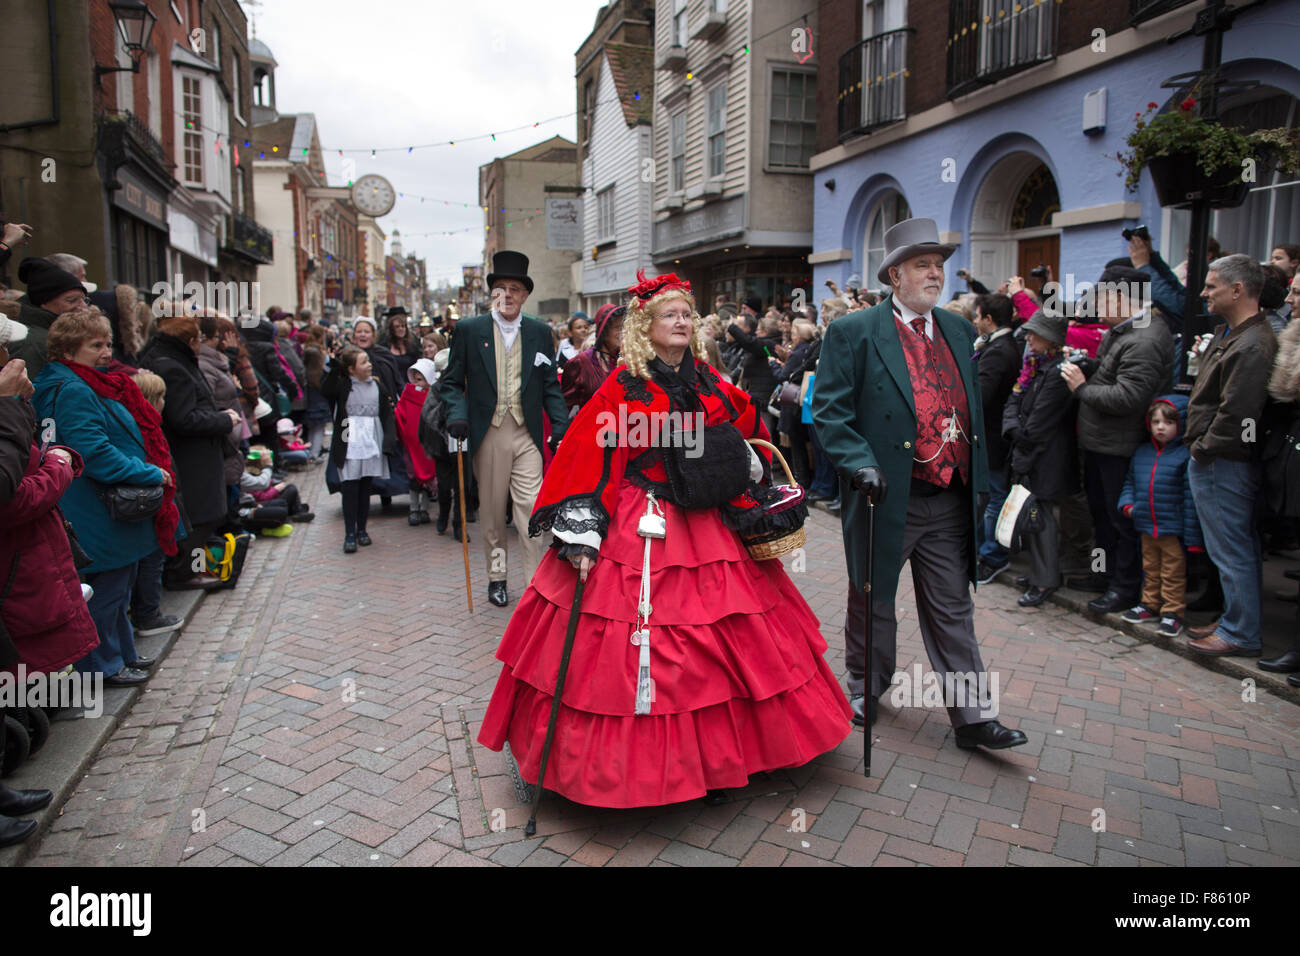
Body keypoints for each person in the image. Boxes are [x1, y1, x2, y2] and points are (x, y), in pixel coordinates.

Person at [477, 269, 851, 808]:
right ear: (644, 327)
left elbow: (745, 420)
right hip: (643, 518)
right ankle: (656, 770)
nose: (681, 321)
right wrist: (583, 533)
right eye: (670, 315)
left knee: (725, 634)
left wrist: (741, 444)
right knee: (650, 639)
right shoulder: (626, 383)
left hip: (707, 518)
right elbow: (590, 454)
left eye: (686, 315)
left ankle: (727, 758)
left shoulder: (704, 378)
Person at [812, 216, 1028, 751]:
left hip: (948, 497)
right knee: (872, 597)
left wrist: (981, 475)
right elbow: (830, 412)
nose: (935, 274)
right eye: (922, 265)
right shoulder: (853, 332)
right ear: (894, 275)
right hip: (885, 494)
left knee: (954, 606)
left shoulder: (957, 329)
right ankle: (866, 685)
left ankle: (973, 717)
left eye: (938, 265)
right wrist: (858, 463)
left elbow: (970, 406)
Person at [32, 308, 183, 684]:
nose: (105, 352)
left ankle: (121, 654)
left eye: (108, 343)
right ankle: (102, 666)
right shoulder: (74, 389)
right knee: (107, 590)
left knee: (114, 587)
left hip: (95, 504)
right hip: (97, 506)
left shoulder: (73, 382)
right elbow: (93, 453)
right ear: (69, 350)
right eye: (95, 345)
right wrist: (151, 472)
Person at [436, 250, 569, 607]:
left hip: (526, 433)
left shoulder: (541, 333)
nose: (507, 295)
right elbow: (450, 383)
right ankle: (497, 576)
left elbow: (549, 384)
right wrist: (457, 413)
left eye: (514, 289)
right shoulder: (468, 330)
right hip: (489, 433)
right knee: (493, 513)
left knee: (530, 507)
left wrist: (560, 422)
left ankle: (535, 584)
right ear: (491, 293)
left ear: (525, 295)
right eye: (500, 288)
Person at [1059, 264, 1175, 612]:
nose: (1096, 306)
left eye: (1102, 298)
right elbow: (1112, 377)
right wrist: (1090, 368)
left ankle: (1123, 588)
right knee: (1100, 516)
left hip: (1120, 446)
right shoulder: (1122, 331)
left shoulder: (1146, 338)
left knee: (1119, 519)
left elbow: (1128, 399)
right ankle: (1101, 573)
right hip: (1100, 442)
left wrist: (1081, 386)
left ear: (1123, 298)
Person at [1183, 255, 1277, 657]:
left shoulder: (1253, 343)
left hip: (1225, 461)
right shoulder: (1233, 334)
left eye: (1211, 285)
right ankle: (1235, 622)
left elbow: (1238, 413)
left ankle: (1241, 633)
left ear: (1237, 290)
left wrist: (1203, 449)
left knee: (1233, 547)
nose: (1204, 292)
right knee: (1230, 547)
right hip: (1217, 458)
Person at [136, 312, 239, 590]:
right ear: (190, 341)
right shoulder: (172, 367)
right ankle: (185, 573)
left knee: (199, 520)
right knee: (197, 521)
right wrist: (224, 420)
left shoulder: (174, 361)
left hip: (196, 457)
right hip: (192, 459)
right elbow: (183, 418)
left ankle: (192, 569)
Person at [1002, 310, 1078, 607]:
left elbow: (1037, 424)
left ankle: (1045, 580)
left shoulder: (1058, 373)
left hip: (1046, 456)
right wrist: (1012, 426)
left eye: (1034, 333)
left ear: (1050, 339)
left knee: (1042, 517)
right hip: (1029, 451)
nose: (1028, 338)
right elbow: (1013, 401)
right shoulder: (1034, 366)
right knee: (1033, 516)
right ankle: (1038, 573)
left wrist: (1016, 431)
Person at [1117, 395, 1201, 637]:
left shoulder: (1184, 456)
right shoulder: (1142, 453)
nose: (1161, 427)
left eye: (1168, 422)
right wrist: (1127, 505)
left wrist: (1192, 537)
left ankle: (1173, 612)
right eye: (1156, 422)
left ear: (1181, 424)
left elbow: (1189, 500)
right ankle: (1149, 603)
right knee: (1150, 567)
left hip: (1171, 529)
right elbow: (1130, 483)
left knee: (1172, 573)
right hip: (1145, 524)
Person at [323, 345, 395, 553]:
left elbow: (386, 413)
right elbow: (326, 390)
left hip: (371, 436)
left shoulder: (377, 386)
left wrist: (389, 440)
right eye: (364, 362)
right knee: (350, 486)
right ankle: (349, 533)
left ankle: (362, 530)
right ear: (351, 369)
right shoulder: (343, 385)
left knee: (365, 485)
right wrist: (336, 366)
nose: (369, 365)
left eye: (368, 361)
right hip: (349, 434)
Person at [972, 293, 1020, 583]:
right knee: (986, 495)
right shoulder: (994, 345)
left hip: (993, 435)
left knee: (993, 498)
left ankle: (993, 556)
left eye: (978, 316)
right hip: (988, 435)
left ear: (989, 320)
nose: (975, 322)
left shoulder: (1001, 350)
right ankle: (981, 549)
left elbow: (982, 394)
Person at [11, 257, 87, 379]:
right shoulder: (33, 344)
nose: (83, 307)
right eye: (72, 300)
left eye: (84, 300)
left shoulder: (57, 334)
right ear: (44, 302)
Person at [395, 358, 440, 526]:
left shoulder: (433, 395)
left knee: (428, 478)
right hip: (411, 444)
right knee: (413, 477)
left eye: (420, 375)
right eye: (415, 375)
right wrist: (404, 433)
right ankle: (414, 508)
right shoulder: (408, 393)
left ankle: (424, 509)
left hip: (427, 445)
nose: (416, 378)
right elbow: (400, 414)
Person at [559, 303, 624, 414]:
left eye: (624, 327)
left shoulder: (627, 359)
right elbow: (564, 407)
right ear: (604, 330)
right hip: (593, 428)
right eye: (617, 327)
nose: (623, 332)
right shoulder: (580, 362)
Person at [383, 306, 419, 379]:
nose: (401, 329)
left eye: (403, 326)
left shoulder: (412, 345)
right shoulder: (384, 345)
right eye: (397, 326)